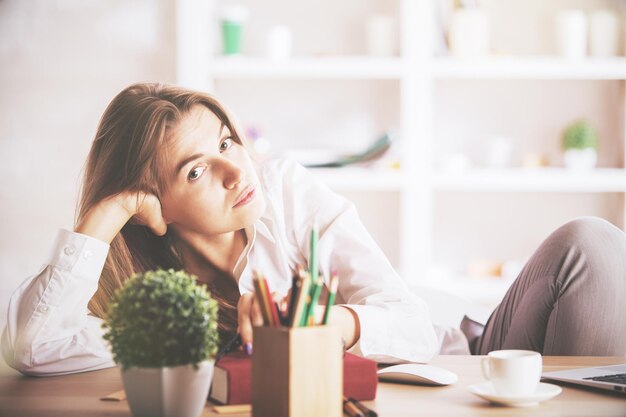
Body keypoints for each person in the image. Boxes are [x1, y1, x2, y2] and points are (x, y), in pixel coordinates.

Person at [2, 83, 625, 377]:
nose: (232, 169)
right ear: (152, 204)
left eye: (225, 142)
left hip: (461, 366)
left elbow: (410, 326)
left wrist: (334, 324)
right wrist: (104, 217)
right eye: (196, 170)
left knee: (591, 245)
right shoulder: (157, 305)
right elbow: (33, 347)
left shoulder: (285, 191)